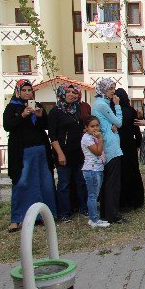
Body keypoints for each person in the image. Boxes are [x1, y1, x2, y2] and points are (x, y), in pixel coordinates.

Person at [3, 79, 56, 232]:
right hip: (22, 152)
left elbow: (46, 126)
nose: (27, 93)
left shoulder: (36, 105)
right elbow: (8, 126)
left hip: (40, 150)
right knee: (22, 182)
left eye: (29, 90)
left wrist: (40, 116)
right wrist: (22, 116)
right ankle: (18, 218)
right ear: (18, 91)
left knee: (43, 182)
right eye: (24, 90)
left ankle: (45, 215)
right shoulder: (12, 107)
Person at [48, 84, 87, 222]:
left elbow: (81, 129)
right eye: (68, 92)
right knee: (64, 184)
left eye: (73, 91)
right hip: (63, 153)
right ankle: (64, 213)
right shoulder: (55, 112)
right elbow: (52, 136)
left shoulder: (76, 109)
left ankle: (83, 208)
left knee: (81, 181)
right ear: (62, 94)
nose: (71, 94)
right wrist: (60, 154)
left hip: (78, 153)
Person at [91, 78, 126, 224]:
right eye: (111, 88)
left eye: (114, 88)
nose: (113, 91)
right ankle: (113, 214)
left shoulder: (101, 104)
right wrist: (117, 106)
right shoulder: (102, 105)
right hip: (110, 147)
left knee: (108, 182)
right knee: (113, 182)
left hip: (109, 144)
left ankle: (107, 212)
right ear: (103, 89)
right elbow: (119, 122)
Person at [112, 88, 144, 210]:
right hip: (130, 144)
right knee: (132, 171)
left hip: (117, 144)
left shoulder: (113, 110)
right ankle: (135, 200)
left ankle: (122, 201)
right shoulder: (131, 110)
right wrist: (138, 144)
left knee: (121, 173)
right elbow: (137, 130)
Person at [81, 116, 110, 228]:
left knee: (95, 194)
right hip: (92, 169)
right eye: (92, 126)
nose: (95, 128)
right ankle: (94, 219)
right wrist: (100, 139)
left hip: (98, 168)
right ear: (86, 128)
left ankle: (94, 218)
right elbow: (98, 152)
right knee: (93, 196)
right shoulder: (87, 138)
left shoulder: (94, 137)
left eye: (97, 125)